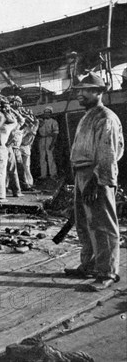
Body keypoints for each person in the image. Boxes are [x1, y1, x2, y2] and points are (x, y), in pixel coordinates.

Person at [67, 72, 124, 291]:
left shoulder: (105, 117)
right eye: (79, 91)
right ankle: (89, 265)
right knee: (84, 222)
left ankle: (107, 272)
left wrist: (97, 180)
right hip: (82, 173)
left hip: (96, 175)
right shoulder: (88, 114)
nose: (79, 94)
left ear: (99, 92)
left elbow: (108, 153)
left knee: (103, 224)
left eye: (85, 90)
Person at [38, 107, 59, 179]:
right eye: (45, 112)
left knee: (50, 157)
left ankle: (53, 174)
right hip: (42, 139)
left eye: (48, 112)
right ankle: (43, 174)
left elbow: (55, 133)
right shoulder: (40, 122)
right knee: (42, 157)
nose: (46, 114)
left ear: (50, 113)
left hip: (50, 139)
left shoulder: (53, 121)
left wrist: (53, 143)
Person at [19, 114, 39, 191]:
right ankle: (27, 183)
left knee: (25, 167)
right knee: (25, 167)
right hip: (24, 147)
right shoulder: (31, 128)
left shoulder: (30, 129)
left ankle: (28, 183)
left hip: (24, 147)